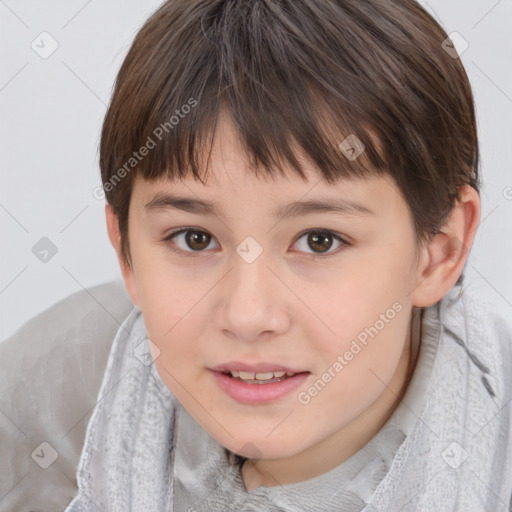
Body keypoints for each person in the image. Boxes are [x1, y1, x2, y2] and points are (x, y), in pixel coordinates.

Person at [62, 0, 512, 510]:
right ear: (126, 252)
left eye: (320, 240)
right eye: (194, 238)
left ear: (438, 252)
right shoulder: (51, 408)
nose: (248, 315)